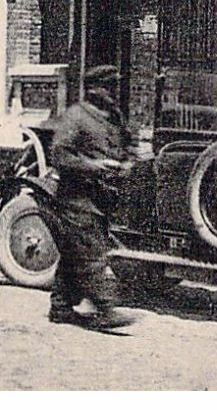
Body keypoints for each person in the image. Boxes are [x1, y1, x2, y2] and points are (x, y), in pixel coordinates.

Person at [45, 65, 132, 331]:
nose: (114, 93)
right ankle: (105, 308)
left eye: (114, 87)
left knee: (75, 253)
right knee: (92, 252)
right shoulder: (76, 117)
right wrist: (96, 166)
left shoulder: (112, 118)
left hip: (101, 199)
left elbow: (126, 147)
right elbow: (60, 156)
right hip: (75, 199)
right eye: (108, 87)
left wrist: (126, 162)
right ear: (93, 90)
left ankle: (60, 306)